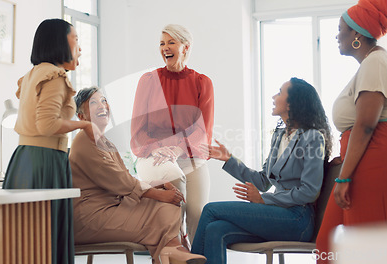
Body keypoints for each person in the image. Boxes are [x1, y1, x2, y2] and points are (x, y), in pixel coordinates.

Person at [315, 0, 387, 262]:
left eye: (341, 29)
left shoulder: (376, 63)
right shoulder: (371, 65)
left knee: (366, 252)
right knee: (327, 245)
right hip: (370, 156)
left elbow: (365, 125)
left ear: (357, 35)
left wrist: (343, 178)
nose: (336, 34)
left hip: (381, 156)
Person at [191, 78, 332, 264]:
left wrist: (263, 199)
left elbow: (310, 191)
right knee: (215, 229)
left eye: (280, 92)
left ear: (292, 102)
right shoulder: (279, 136)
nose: (274, 97)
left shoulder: (313, 137)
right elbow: (264, 181)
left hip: (297, 219)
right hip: (276, 215)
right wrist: (229, 159)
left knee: (210, 210)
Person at [69, 87, 206, 264]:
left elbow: (124, 176)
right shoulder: (84, 141)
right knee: (162, 203)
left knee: (169, 203)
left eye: (103, 100)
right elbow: (119, 181)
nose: (102, 105)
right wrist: (157, 192)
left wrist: (157, 184)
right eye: (93, 103)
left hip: (112, 206)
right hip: (92, 218)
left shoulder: (104, 141)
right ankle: (172, 252)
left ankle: (172, 250)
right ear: (81, 117)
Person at [2, 18, 94, 264]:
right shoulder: (55, 76)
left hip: (25, 159)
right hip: (46, 162)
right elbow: (48, 125)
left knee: (26, 238)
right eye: (76, 39)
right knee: (44, 237)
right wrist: (85, 124)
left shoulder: (33, 74)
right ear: (59, 42)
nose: (80, 48)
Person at [130, 24, 214, 244]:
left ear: (185, 47)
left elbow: (202, 129)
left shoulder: (202, 83)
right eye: (162, 43)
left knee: (197, 210)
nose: (165, 48)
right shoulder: (148, 81)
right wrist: (160, 148)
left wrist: (177, 149)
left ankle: (196, 254)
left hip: (189, 155)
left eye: (171, 43)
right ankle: (177, 242)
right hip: (154, 155)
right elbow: (138, 130)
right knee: (174, 181)